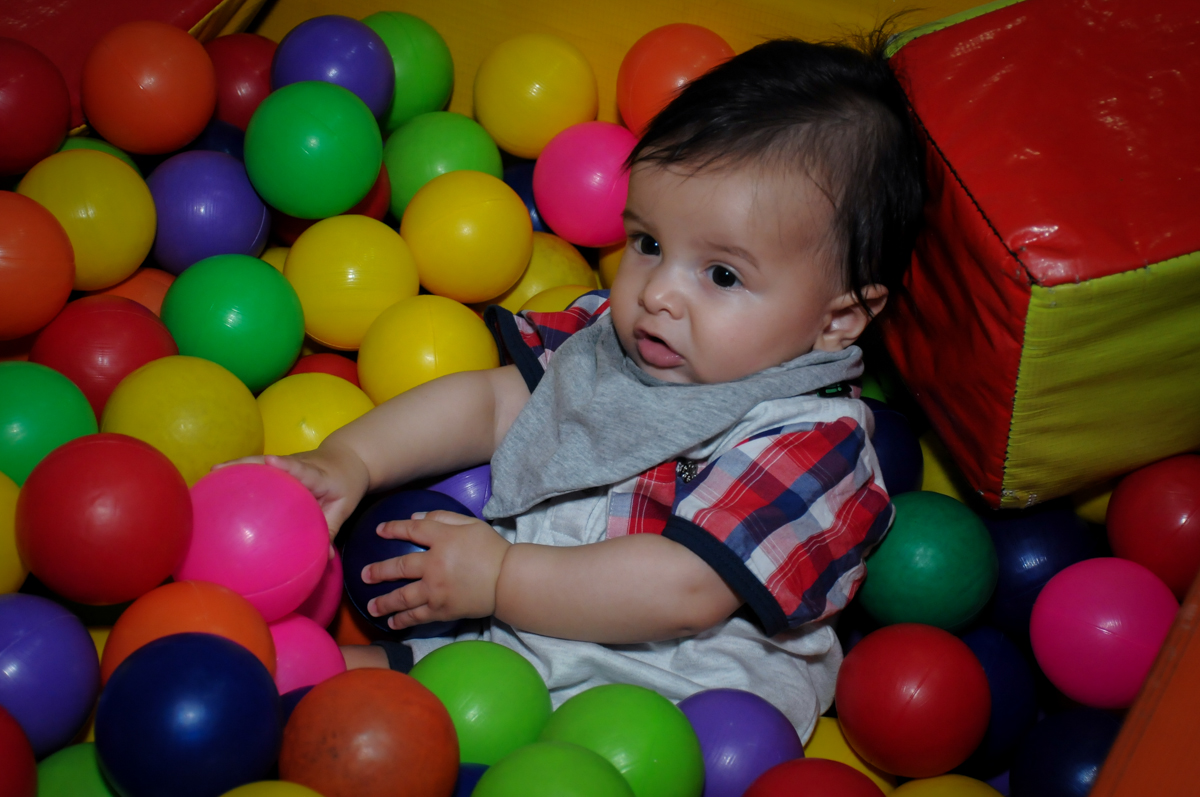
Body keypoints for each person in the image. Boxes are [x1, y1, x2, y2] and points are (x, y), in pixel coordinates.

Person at [237, 33, 924, 738]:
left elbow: (686, 587)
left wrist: (502, 577)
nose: (657, 293)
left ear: (838, 319)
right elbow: (490, 403)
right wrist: (352, 458)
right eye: (649, 244)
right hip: (497, 646)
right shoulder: (614, 341)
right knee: (285, 687)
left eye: (722, 275)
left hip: (663, 704)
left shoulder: (814, 441)